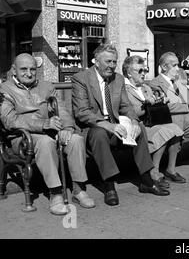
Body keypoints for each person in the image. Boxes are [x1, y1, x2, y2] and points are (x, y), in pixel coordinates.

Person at [72, 45, 169, 207]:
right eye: (107, 61)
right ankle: (109, 185)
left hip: (116, 125)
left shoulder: (117, 79)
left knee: (139, 128)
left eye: (114, 62)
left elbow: (126, 106)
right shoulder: (81, 78)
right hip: (92, 127)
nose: (111, 65)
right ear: (96, 62)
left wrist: (133, 121)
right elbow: (82, 112)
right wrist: (107, 126)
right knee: (99, 133)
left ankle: (146, 179)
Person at [0, 54, 95, 215]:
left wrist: (67, 128)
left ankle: (79, 189)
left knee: (76, 140)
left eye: (33, 69)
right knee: (45, 142)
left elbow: (62, 109)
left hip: (50, 131)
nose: (29, 73)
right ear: (14, 71)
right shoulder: (5, 89)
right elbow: (10, 120)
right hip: (21, 138)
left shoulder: (46, 86)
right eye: (24, 69)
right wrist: (43, 124)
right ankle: (55, 193)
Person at [123, 56, 185, 186]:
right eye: (139, 71)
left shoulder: (145, 87)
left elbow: (154, 106)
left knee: (175, 129)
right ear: (129, 73)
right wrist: (146, 105)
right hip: (136, 124)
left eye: (145, 70)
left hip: (152, 121)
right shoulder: (124, 89)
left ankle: (170, 169)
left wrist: (160, 101)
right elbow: (127, 110)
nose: (144, 74)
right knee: (163, 132)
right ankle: (154, 171)